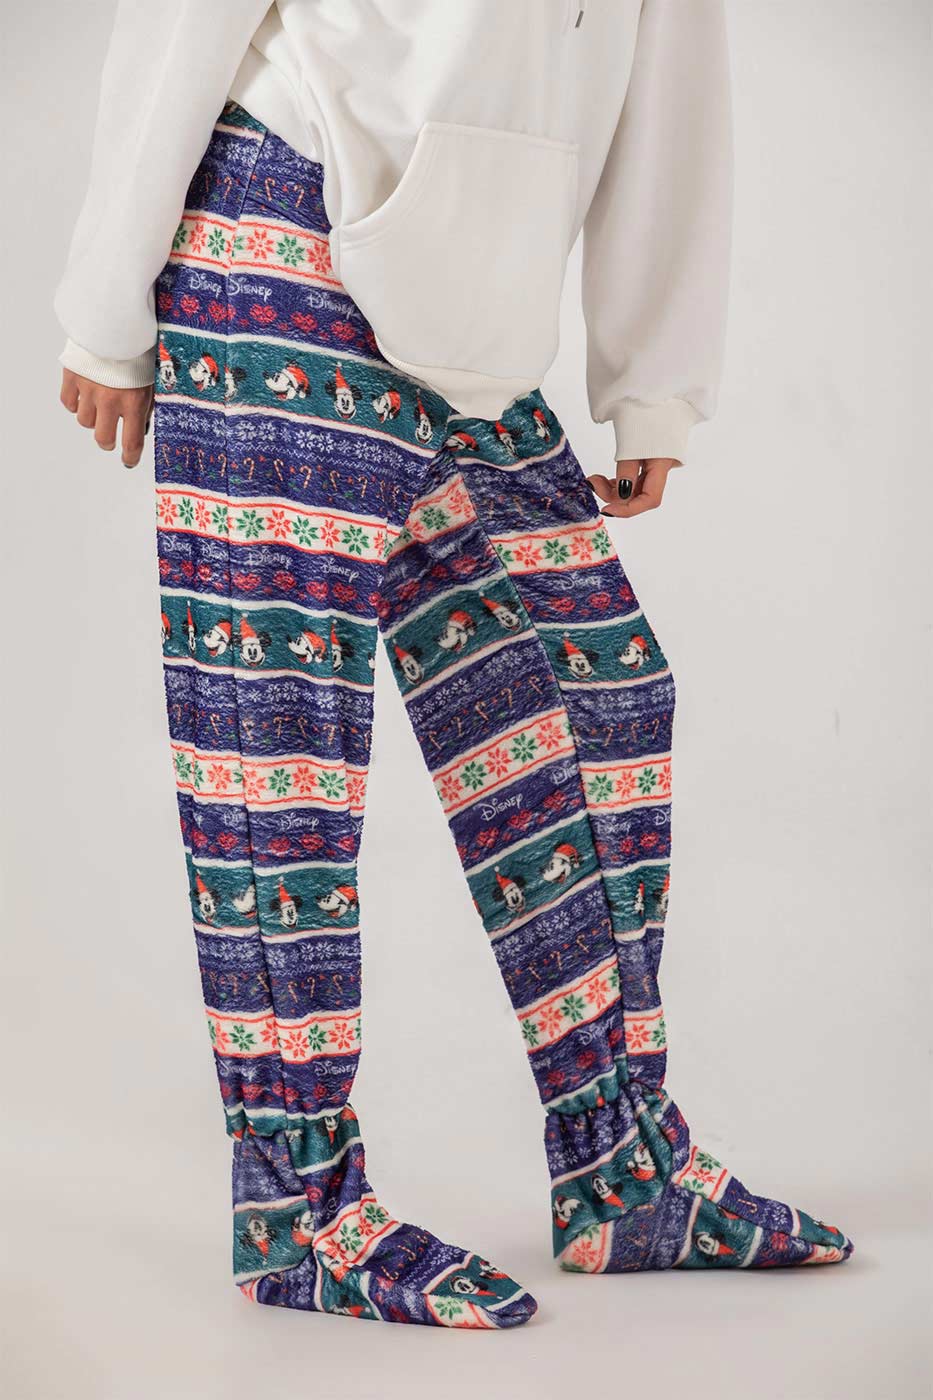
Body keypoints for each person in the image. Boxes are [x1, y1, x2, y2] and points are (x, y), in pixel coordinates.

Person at [55, 1, 852, 1330]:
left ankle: (622, 1170)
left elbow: (671, 85)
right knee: (280, 756)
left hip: (473, 307)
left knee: (598, 694)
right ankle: (302, 1215)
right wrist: (106, 301)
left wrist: (651, 375)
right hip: (280, 219)